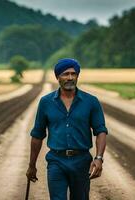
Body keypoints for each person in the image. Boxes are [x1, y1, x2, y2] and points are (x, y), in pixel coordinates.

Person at [26, 58, 108, 200]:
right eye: (65, 74)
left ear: (77, 76)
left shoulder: (91, 101)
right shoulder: (46, 102)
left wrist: (99, 158)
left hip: (82, 162)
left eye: (73, 74)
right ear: (58, 77)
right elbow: (37, 135)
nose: (70, 77)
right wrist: (32, 165)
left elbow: (101, 131)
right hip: (56, 162)